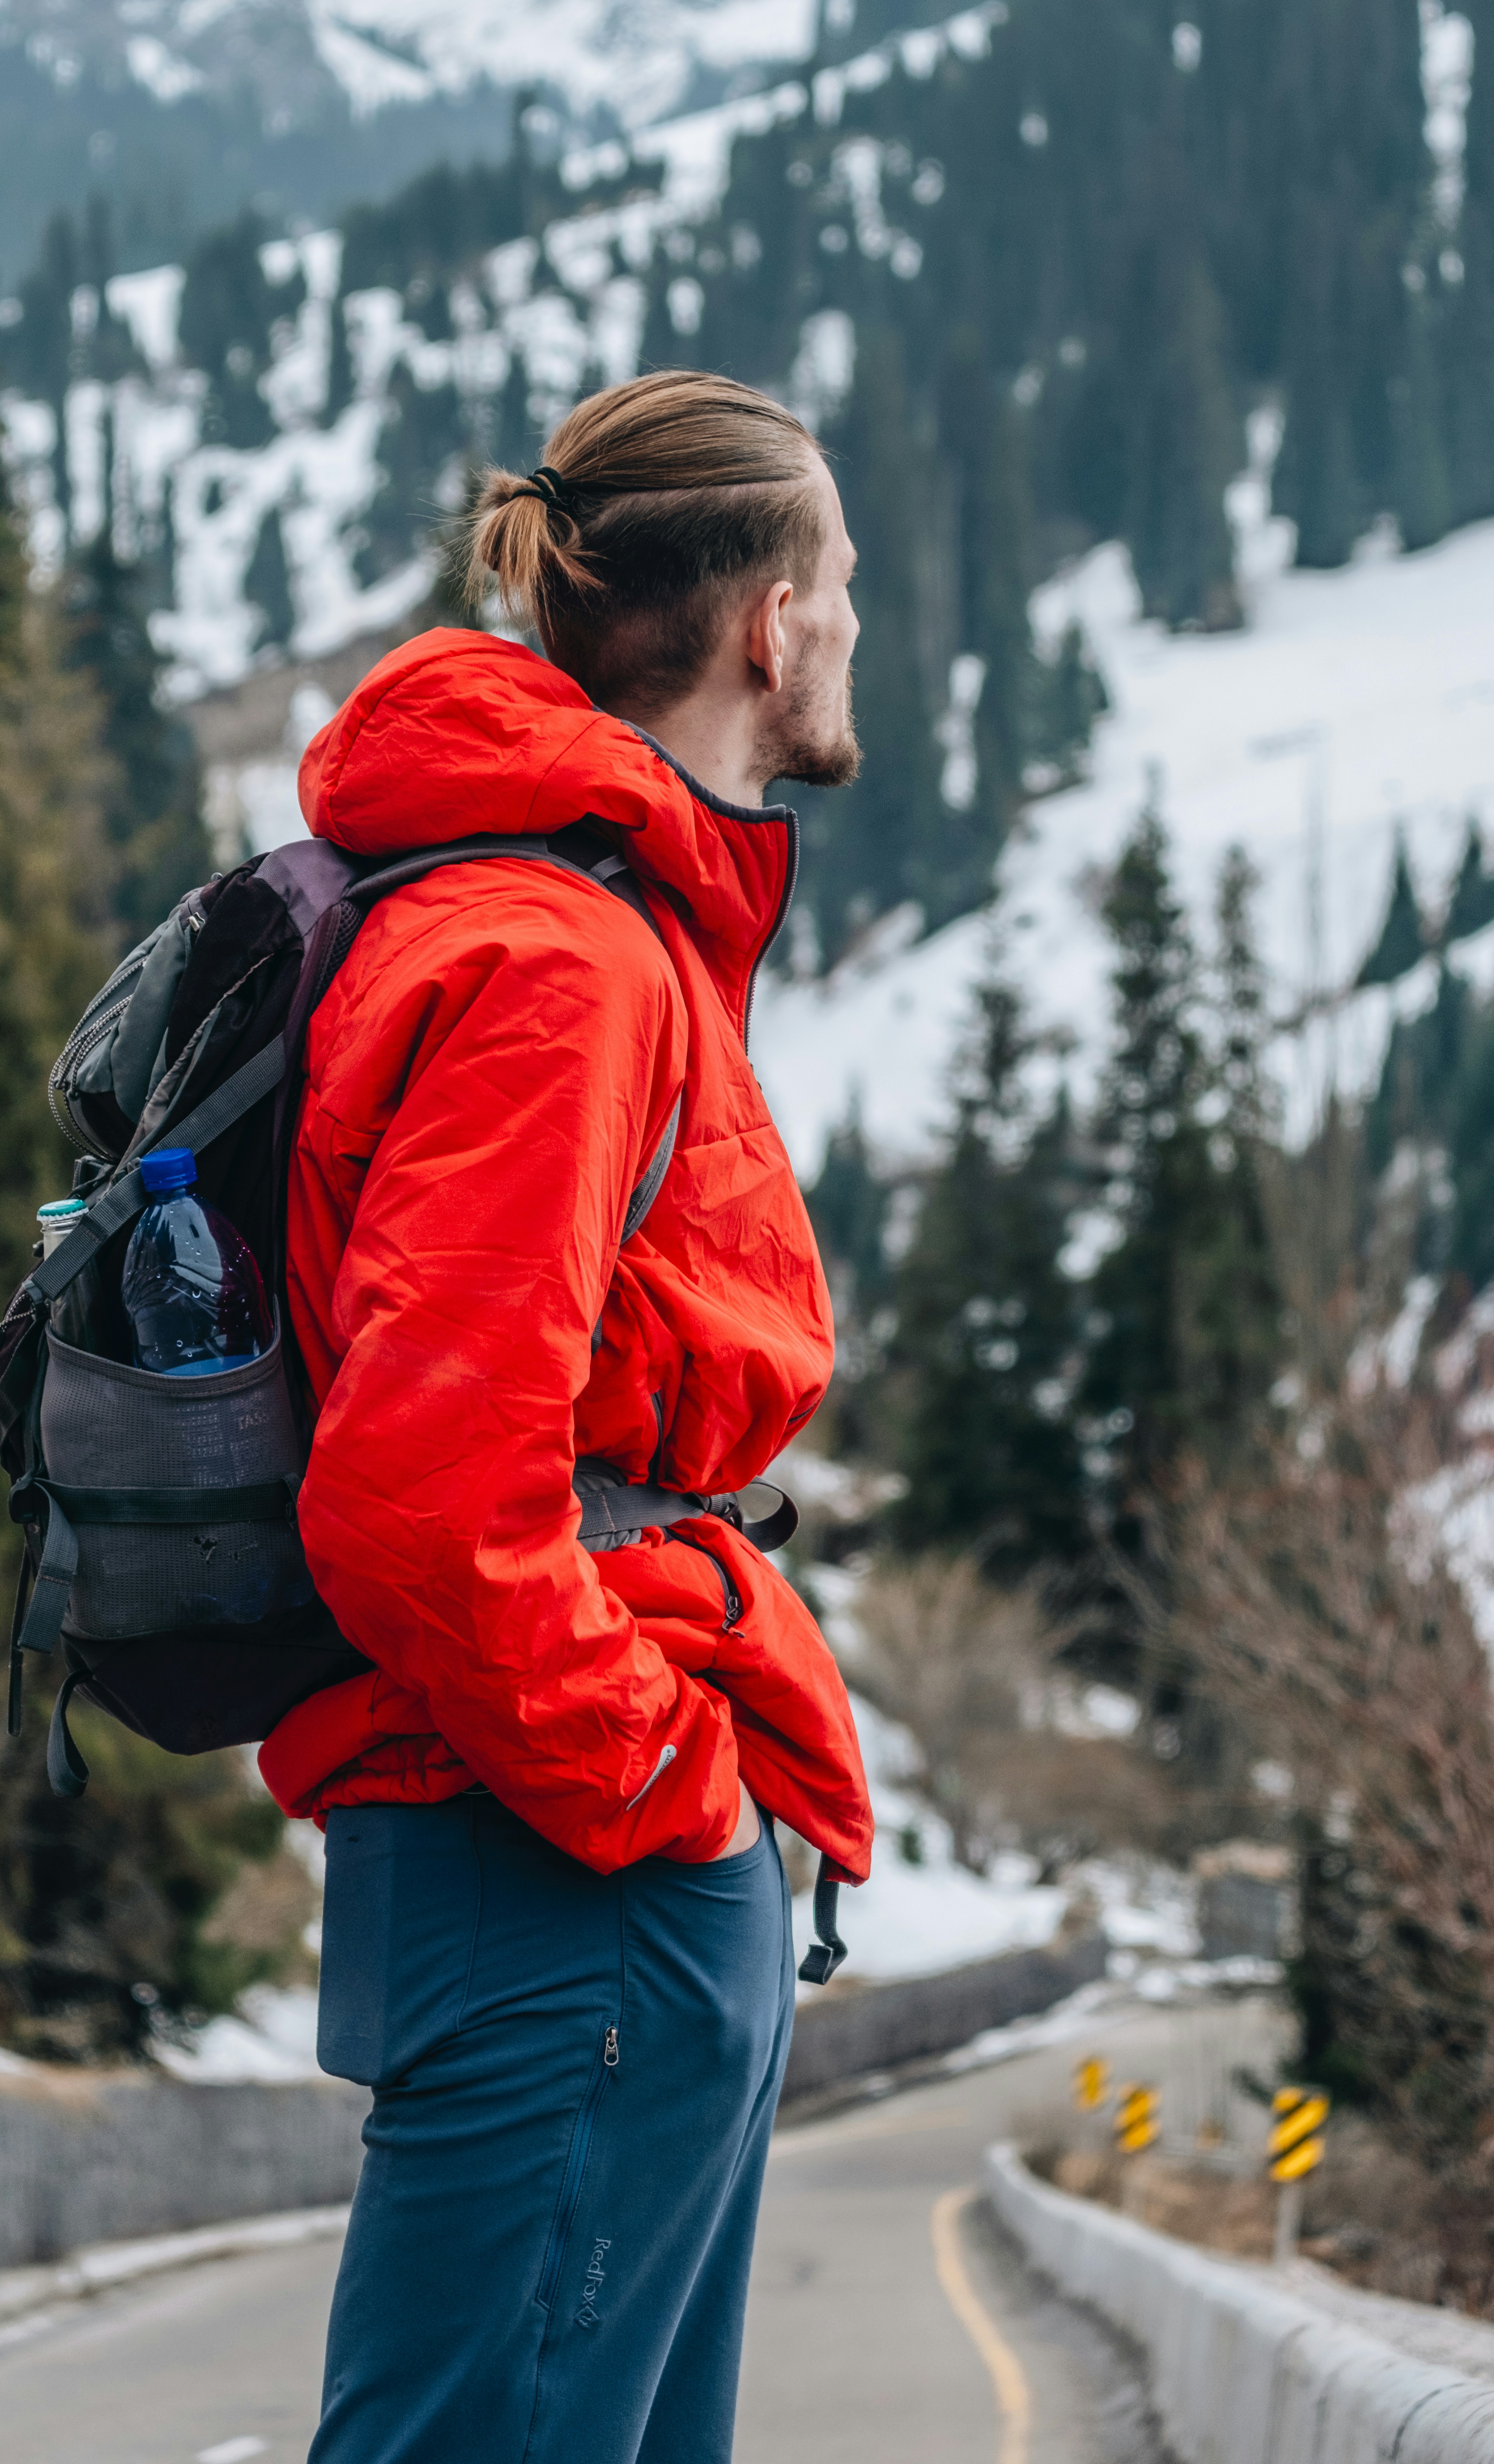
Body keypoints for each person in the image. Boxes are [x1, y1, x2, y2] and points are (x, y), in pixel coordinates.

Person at [263, 367, 876, 2464]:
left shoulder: (575, 922)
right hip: (561, 1860)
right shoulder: (558, 956)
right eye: (848, 589)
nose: (854, 632)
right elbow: (425, 1494)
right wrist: (659, 1790)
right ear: (770, 625)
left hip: (568, 1860)